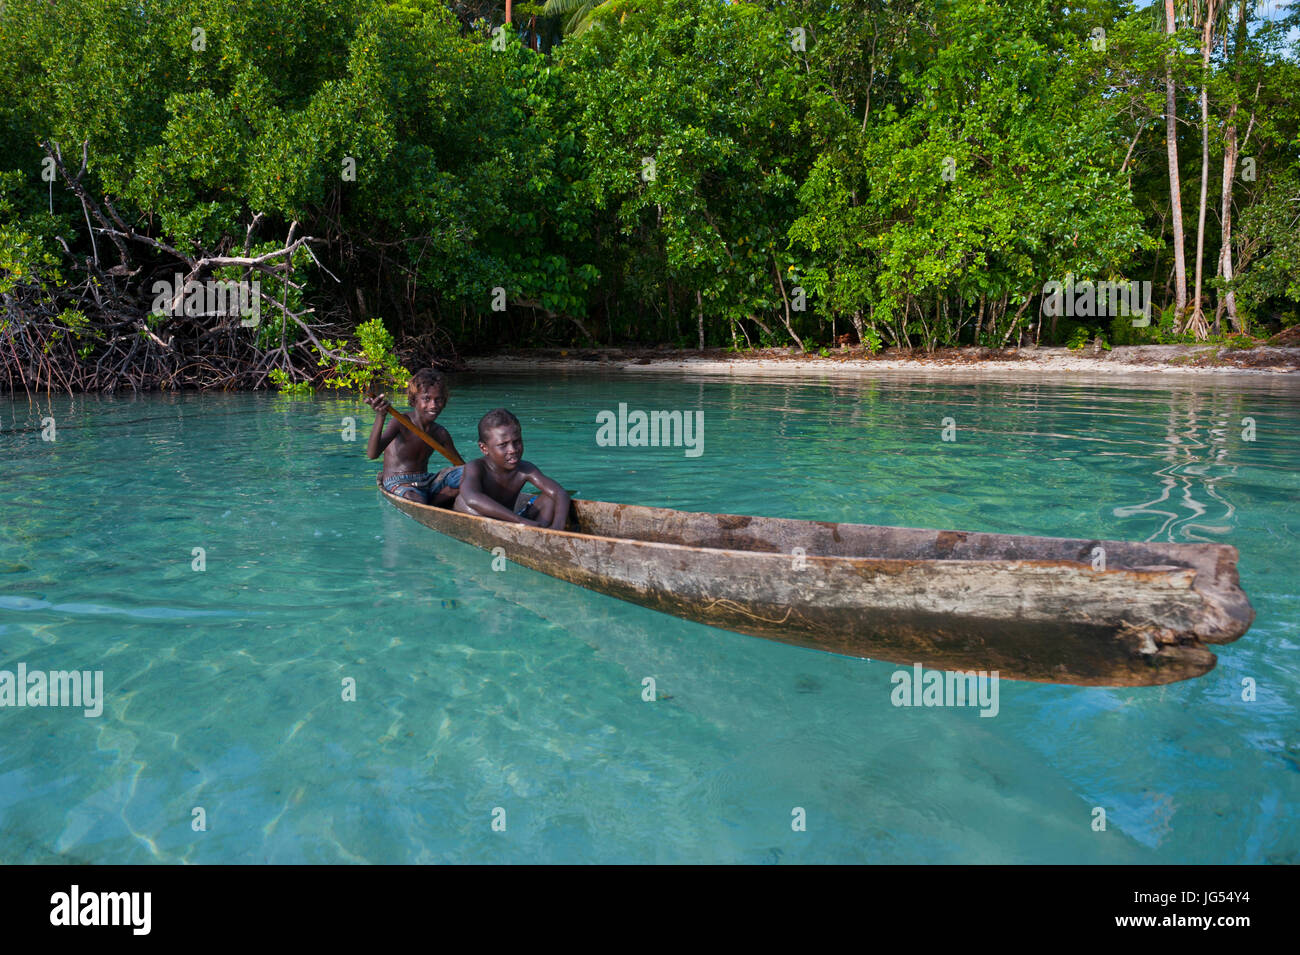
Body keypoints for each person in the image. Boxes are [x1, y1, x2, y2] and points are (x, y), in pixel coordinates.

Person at [454, 409, 570, 529]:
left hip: (511, 520)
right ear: (484, 448)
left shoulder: (525, 469)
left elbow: (560, 493)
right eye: (503, 445)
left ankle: (542, 533)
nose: (513, 449)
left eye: (517, 441)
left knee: (550, 498)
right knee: (471, 507)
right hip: (481, 517)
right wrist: (519, 520)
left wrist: (558, 527)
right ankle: (534, 531)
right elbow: (472, 498)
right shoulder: (476, 467)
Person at [365, 368, 464, 506]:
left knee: (468, 474)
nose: (433, 405)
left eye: (438, 399)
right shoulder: (400, 422)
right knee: (416, 499)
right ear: (414, 400)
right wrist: (380, 416)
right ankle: (429, 505)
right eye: (426, 399)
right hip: (398, 481)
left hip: (426, 481)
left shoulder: (440, 433)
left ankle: (432, 504)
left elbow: (461, 467)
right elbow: (372, 454)